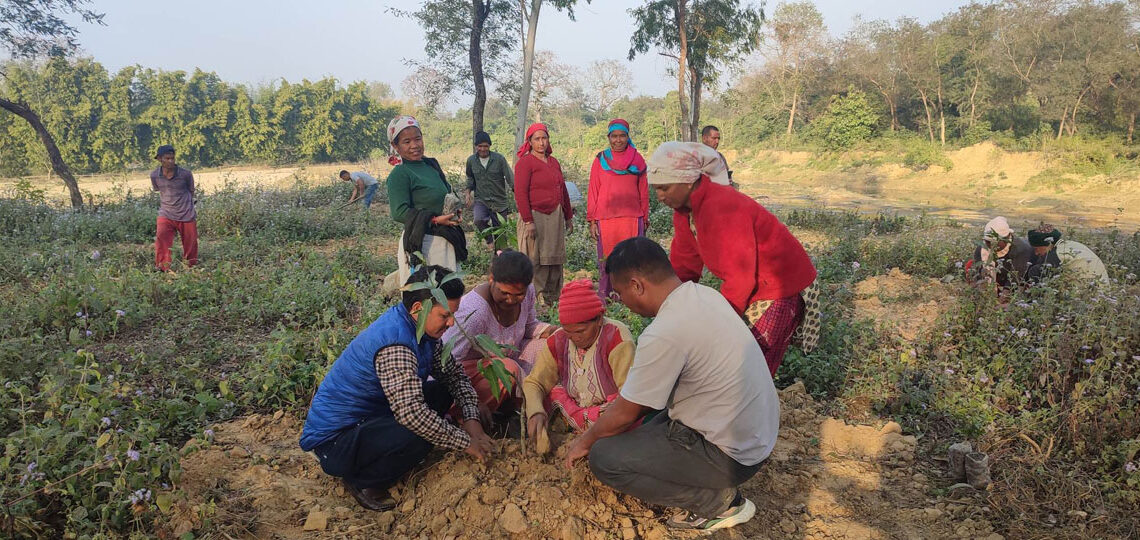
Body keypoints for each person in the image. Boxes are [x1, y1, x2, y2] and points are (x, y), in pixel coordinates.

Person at [565, 237, 779, 533]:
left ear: (637, 285)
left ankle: (719, 503)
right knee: (643, 420)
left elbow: (626, 412)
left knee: (604, 458)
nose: (621, 301)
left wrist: (584, 442)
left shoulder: (665, 332)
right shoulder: (703, 295)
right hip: (756, 436)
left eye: (620, 293)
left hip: (731, 457)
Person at [299, 265, 492, 512]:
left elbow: (454, 376)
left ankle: (389, 449)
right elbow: (412, 415)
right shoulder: (397, 346)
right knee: (419, 435)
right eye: (445, 316)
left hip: (371, 416)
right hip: (336, 441)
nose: (451, 323)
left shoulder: (422, 331)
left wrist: (472, 420)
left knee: (442, 391)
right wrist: (465, 442)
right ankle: (364, 481)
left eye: (453, 314)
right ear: (418, 309)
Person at [648, 141, 819, 376]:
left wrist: (719, 326)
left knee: (749, 362)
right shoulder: (684, 212)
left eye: (664, 188)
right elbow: (685, 266)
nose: (659, 196)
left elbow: (740, 277)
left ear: (687, 181)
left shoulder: (722, 206)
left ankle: (756, 398)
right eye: (656, 189)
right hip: (754, 283)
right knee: (733, 360)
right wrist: (669, 306)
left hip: (780, 286)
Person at [523, 279, 636, 453]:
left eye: (580, 331)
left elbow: (629, 397)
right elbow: (535, 382)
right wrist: (536, 412)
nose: (575, 338)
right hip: (574, 406)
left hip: (607, 410)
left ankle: (589, 433)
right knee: (548, 395)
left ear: (599, 319)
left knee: (621, 412)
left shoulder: (617, 338)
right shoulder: (558, 339)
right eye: (568, 331)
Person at [440, 250, 556, 416]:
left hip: (508, 357)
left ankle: (530, 407)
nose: (511, 300)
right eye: (505, 293)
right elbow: (446, 363)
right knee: (507, 368)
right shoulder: (474, 313)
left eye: (519, 294)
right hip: (465, 377)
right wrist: (472, 400)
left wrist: (554, 332)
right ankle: (465, 415)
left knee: (548, 348)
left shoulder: (528, 291)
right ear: (491, 279)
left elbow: (529, 326)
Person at [386, 115, 467, 284]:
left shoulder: (430, 165)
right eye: (407, 142)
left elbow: (446, 192)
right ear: (395, 146)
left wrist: (455, 210)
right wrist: (434, 220)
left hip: (446, 239)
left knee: (449, 291)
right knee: (428, 292)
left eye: (418, 139)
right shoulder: (400, 173)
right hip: (424, 243)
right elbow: (399, 212)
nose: (414, 145)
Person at [587, 119, 649, 300]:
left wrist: (645, 217)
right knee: (608, 261)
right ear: (609, 137)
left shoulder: (637, 160)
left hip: (632, 218)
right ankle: (607, 298)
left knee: (633, 261)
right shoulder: (601, 160)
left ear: (628, 137)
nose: (618, 140)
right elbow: (593, 190)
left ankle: (632, 299)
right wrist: (592, 220)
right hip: (606, 220)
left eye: (622, 136)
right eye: (614, 136)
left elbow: (644, 192)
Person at [514, 122, 574, 304]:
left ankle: (552, 297)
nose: (541, 143)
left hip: (555, 216)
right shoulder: (525, 163)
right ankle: (536, 298)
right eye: (537, 139)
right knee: (536, 257)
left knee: (554, 256)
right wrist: (528, 221)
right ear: (530, 142)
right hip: (535, 216)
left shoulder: (554, 162)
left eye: (544, 138)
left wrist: (568, 216)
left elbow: (563, 190)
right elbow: (520, 193)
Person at [150, 145, 199, 272]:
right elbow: (158, 190)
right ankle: (162, 267)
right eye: (167, 158)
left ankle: (190, 267)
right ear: (160, 159)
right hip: (166, 213)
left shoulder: (186, 174)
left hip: (186, 213)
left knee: (190, 242)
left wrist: (187, 205)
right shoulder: (154, 175)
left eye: (172, 158)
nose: (171, 161)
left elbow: (191, 191)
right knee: (162, 239)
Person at [465, 131, 515, 250]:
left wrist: (517, 194)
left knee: (501, 235)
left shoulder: (499, 159)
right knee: (478, 220)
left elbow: (510, 178)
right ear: (476, 146)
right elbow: (470, 178)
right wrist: (467, 193)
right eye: (480, 146)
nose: (483, 149)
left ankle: (499, 257)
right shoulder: (471, 161)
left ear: (489, 146)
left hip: (499, 202)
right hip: (481, 200)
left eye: (485, 146)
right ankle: (489, 239)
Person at [1027, 223, 1110, 284]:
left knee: (1035, 271)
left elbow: (1040, 275)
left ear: (1048, 244)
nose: (1036, 253)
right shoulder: (1071, 244)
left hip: (1084, 295)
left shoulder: (1056, 255)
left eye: (1037, 248)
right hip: (1102, 290)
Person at [968, 216, 1033, 290]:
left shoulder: (1020, 249)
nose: (992, 245)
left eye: (996, 242)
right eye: (988, 242)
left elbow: (1016, 277)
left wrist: (1005, 292)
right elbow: (979, 274)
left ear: (1007, 238)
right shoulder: (982, 249)